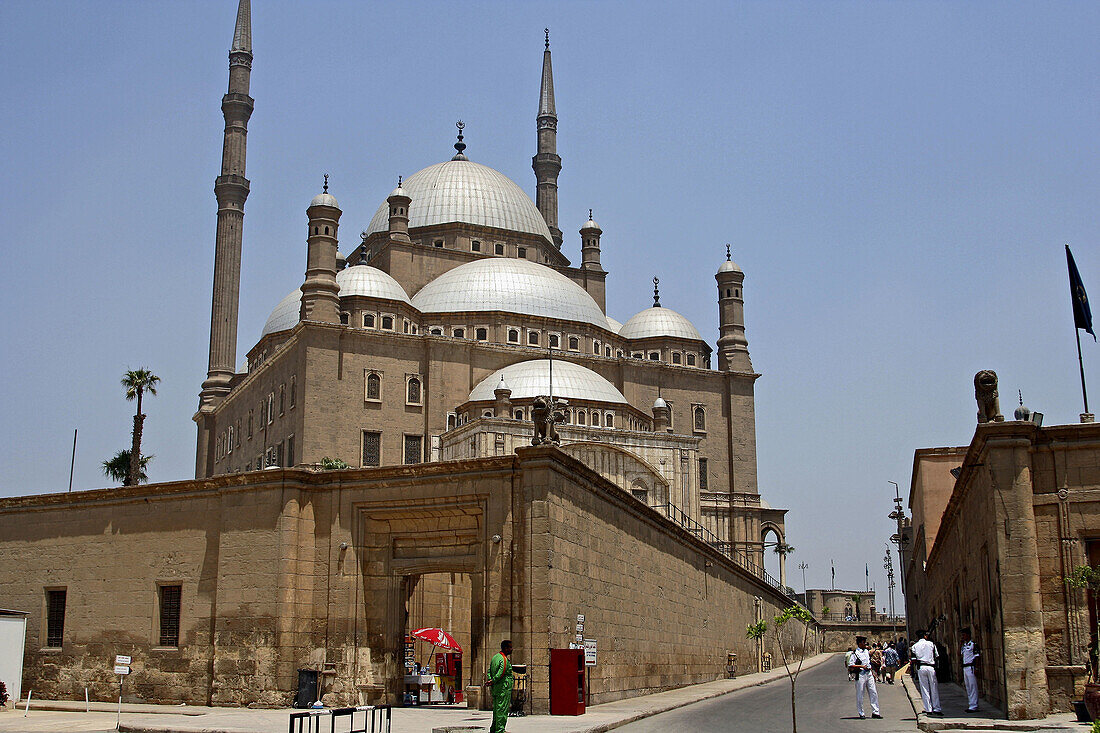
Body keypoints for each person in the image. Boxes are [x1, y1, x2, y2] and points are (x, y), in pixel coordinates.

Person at [911, 630, 942, 716]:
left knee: (924, 688)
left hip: (921, 667)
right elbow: (937, 656)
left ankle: (928, 709)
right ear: (925, 636)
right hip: (931, 667)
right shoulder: (931, 644)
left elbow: (913, 660)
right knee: (934, 687)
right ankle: (937, 708)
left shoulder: (914, 646)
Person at [850, 636, 882, 719]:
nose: (865, 644)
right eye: (864, 642)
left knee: (873, 692)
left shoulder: (866, 652)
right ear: (860, 643)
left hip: (869, 673)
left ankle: (876, 711)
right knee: (860, 693)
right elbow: (851, 665)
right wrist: (861, 666)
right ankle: (861, 712)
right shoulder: (855, 653)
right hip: (860, 674)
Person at [487, 639, 514, 733]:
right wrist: (493, 680)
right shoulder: (504, 659)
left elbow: (489, 670)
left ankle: (494, 728)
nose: (511, 649)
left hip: (496, 688)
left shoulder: (495, 657)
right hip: (503, 688)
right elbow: (501, 672)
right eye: (510, 647)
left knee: (496, 709)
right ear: (505, 648)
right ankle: (500, 729)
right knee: (502, 709)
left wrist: (490, 680)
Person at [960, 628, 980, 712]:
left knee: (972, 686)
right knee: (968, 686)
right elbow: (960, 654)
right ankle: (970, 704)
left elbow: (977, 657)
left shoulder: (973, 644)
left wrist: (977, 668)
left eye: (964, 635)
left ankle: (974, 705)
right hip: (965, 667)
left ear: (968, 635)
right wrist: (960, 644)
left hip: (971, 667)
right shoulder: (964, 645)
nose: (962, 637)